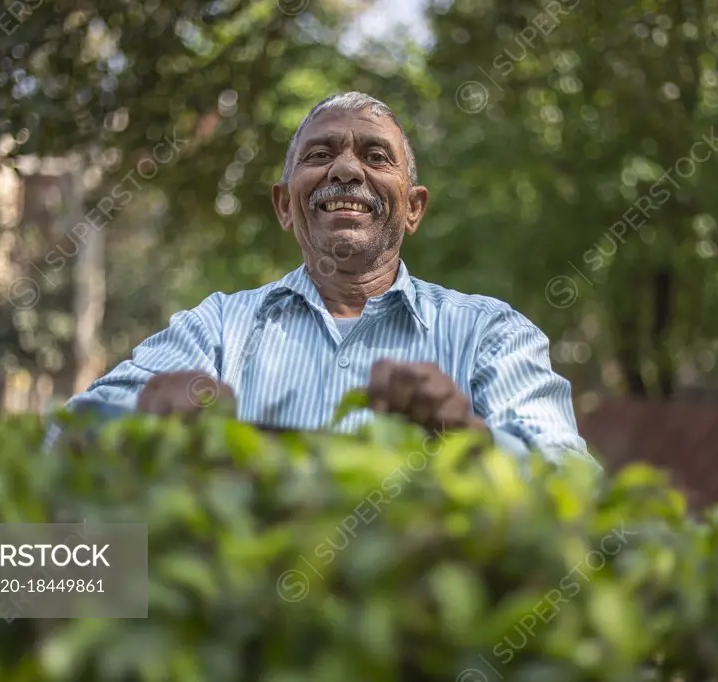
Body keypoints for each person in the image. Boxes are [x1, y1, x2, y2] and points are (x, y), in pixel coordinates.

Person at [47, 92, 597, 467]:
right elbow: (63, 436)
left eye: (376, 155)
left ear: (414, 209)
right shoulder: (217, 328)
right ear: (285, 206)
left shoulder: (490, 333)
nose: (346, 170)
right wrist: (142, 421)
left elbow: (569, 476)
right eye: (321, 153)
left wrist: (471, 439)